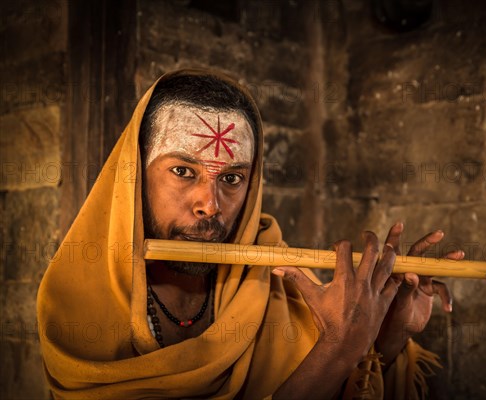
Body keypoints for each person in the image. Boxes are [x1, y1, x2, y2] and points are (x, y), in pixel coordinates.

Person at [37, 69, 464, 399]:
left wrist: (384, 336)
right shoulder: (78, 293)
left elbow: (343, 384)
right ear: (134, 177)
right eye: (183, 171)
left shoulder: (277, 281)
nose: (210, 204)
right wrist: (335, 348)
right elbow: (330, 360)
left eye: (233, 179)